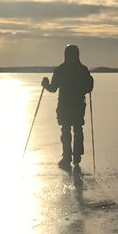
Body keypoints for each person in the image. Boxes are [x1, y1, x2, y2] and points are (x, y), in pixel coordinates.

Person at [41, 43, 94, 171]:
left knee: (66, 131)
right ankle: (76, 156)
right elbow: (88, 88)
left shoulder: (60, 70)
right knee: (77, 129)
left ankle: (67, 157)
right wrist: (90, 81)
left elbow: (53, 88)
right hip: (78, 105)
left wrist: (45, 84)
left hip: (65, 105)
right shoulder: (82, 69)